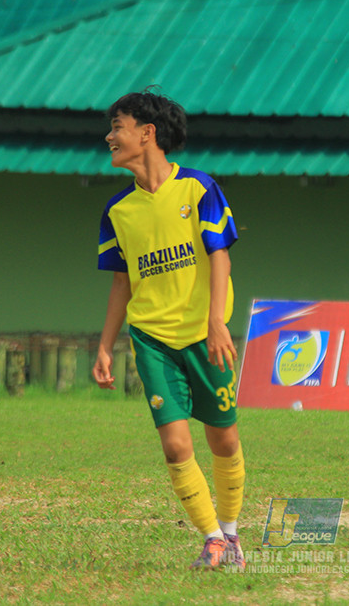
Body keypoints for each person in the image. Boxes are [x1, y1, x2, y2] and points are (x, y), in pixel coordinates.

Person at [92, 89, 245, 570]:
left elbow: (219, 254)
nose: (109, 136)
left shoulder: (199, 188)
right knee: (176, 444)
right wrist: (105, 346)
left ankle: (234, 531)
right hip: (152, 340)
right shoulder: (118, 212)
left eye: (118, 126)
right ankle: (212, 539)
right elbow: (122, 281)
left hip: (204, 335)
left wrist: (216, 321)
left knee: (223, 438)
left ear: (146, 133)